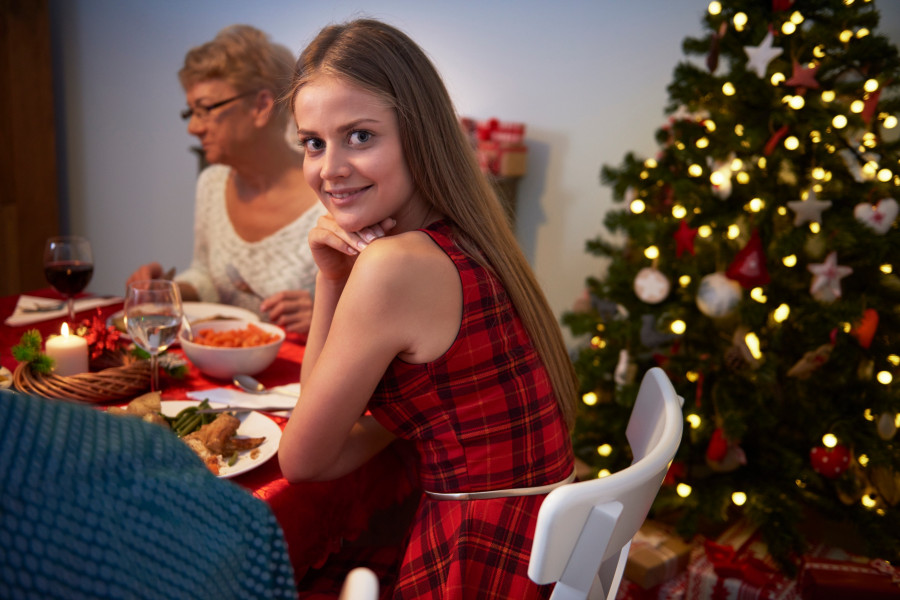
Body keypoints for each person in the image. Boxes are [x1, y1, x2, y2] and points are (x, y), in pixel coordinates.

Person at [277, 19, 577, 599]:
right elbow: (343, 432)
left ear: (419, 135)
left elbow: (302, 459)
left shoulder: (396, 267)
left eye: (360, 136)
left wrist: (330, 285)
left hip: (479, 560)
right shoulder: (466, 235)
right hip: (540, 544)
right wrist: (334, 276)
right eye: (313, 142)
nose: (330, 167)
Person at [128, 25, 326, 334]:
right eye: (190, 112)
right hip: (226, 369)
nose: (193, 127)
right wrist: (168, 292)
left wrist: (326, 316)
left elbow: (380, 311)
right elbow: (207, 275)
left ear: (261, 106)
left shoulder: (331, 195)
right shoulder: (212, 184)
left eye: (205, 109)